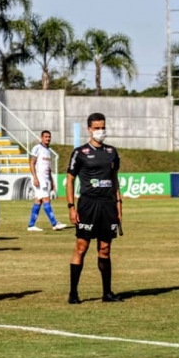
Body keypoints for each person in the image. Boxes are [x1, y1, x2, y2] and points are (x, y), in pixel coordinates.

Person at [66, 113, 123, 304]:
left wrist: (119, 204)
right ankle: (73, 293)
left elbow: (115, 179)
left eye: (103, 127)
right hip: (88, 204)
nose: (101, 131)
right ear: (89, 129)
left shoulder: (112, 152)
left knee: (105, 249)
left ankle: (107, 293)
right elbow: (70, 179)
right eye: (97, 128)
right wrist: (71, 207)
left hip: (108, 205)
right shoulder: (80, 152)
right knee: (82, 247)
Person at [27, 130, 66, 232]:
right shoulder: (37, 148)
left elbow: (48, 169)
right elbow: (31, 163)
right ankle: (54, 223)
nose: (48, 138)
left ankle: (31, 225)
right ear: (41, 137)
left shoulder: (48, 150)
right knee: (46, 199)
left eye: (49, 137)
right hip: (39, 178)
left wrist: (52, 181)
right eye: (46, 137)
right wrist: (35, 177)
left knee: (38, 201)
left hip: (45, 179)